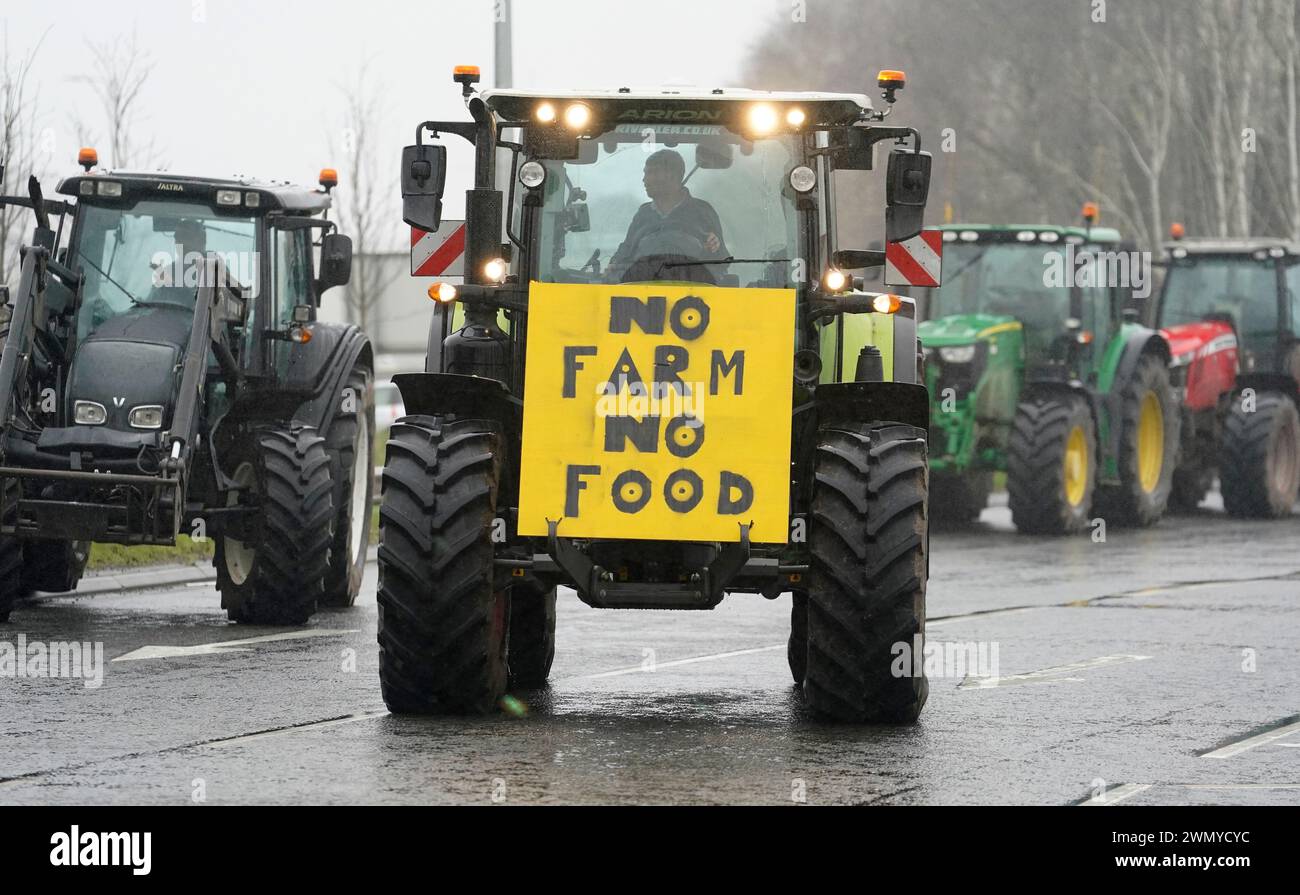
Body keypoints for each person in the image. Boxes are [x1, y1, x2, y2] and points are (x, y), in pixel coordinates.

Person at [608, 149, 729, 282]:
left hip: (696, 290)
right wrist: (613, 265)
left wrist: (711, 248)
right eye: (646, 173)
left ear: (673, 175)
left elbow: (721, 261)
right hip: (642, 291)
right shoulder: (643, 214)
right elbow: (626, 253)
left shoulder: (703, 212)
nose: (645, 180)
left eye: (652, 173)